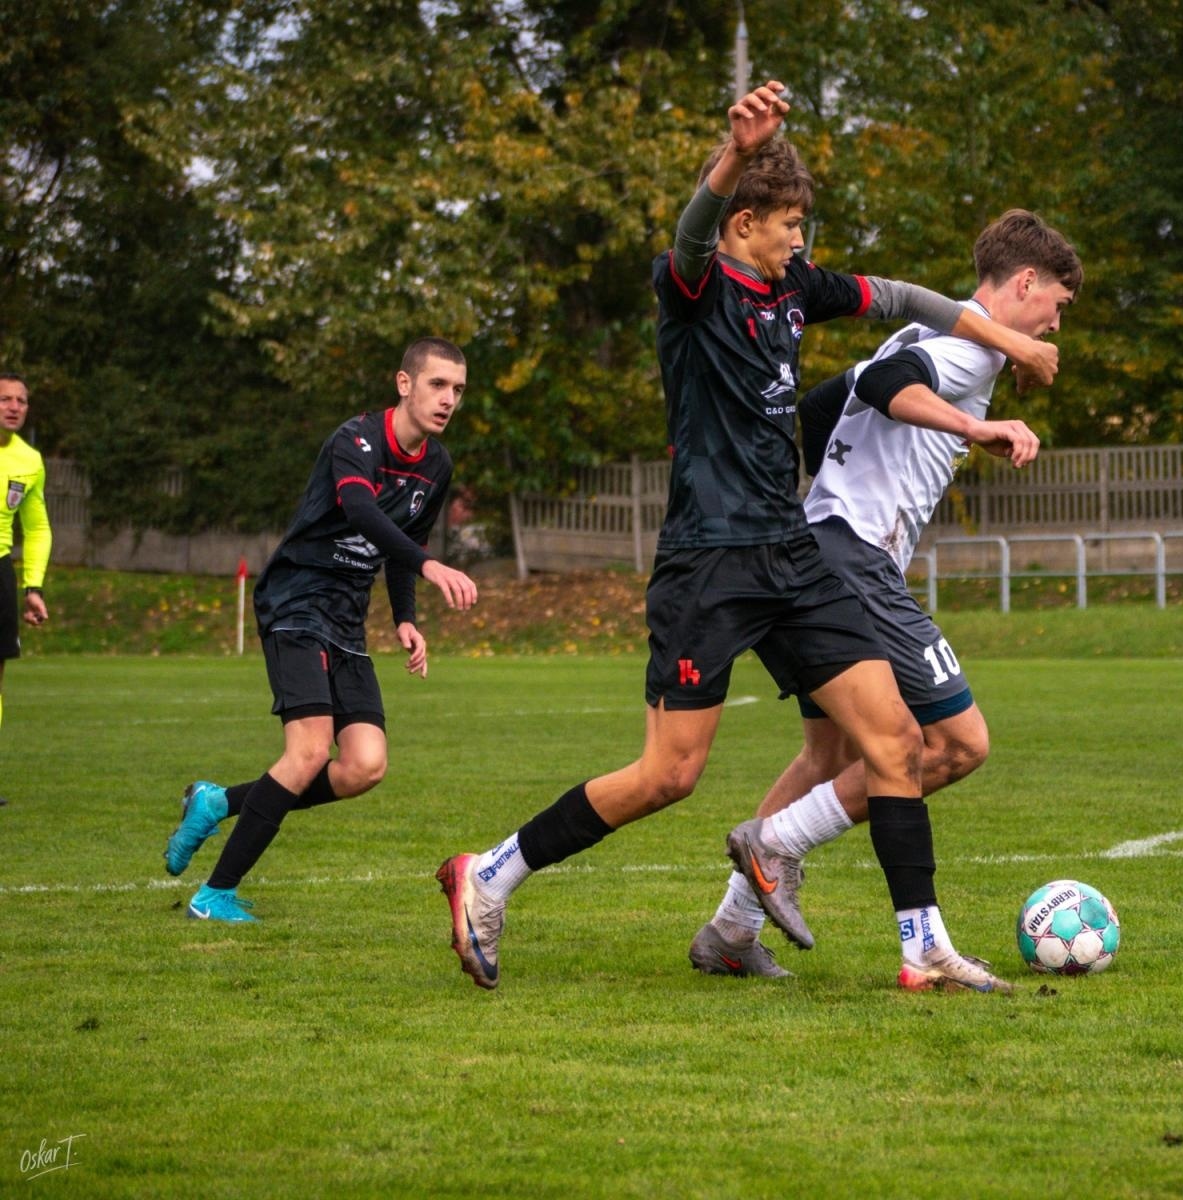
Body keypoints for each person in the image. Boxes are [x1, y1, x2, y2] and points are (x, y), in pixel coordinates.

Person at [436, 80, 1058, 993]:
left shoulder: (792, 288)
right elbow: (691, 231)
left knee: (894, 743)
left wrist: (1003, 337)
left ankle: (922, 945)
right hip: (709, 564)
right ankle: (489, 874)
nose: (801, 240)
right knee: (667, 775)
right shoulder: (692, 287)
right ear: (742, 225)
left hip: (792, 557)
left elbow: (900, 297)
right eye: (788, 224)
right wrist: (731, 155)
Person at [689, 210, 1081, 980]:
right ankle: (779, 845)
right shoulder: (966, 352)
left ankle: (730, 933)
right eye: (1058, 305)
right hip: (852, 559)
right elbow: (884, 384)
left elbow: (820, 408)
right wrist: (981, 429)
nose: (1055, 324)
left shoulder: (923, 338)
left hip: (819, 546)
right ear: (1026, 283)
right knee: (959, 744)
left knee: (826, 753)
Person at [165, 338, 479, 922]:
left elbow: (407, 542)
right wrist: (429, 566)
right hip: (297, 597)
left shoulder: (437, 465)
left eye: (458, 390)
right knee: (308, 751)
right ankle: (214, 895)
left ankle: (217, 801)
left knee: (365, 764)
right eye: (438, 385)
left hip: (345, 614)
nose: (448, 400)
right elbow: (362, 513)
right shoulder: (354, 439)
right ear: (404, 384)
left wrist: (406, 619)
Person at [0, 372, 52, 806]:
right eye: (4, 399)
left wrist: (33, 585)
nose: (13, 406)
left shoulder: (29, 461)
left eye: (20, 400)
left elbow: (36, 528)